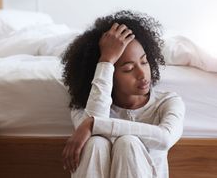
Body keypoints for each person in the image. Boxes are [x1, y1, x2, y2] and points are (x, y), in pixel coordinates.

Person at [61, 10, 185, 178]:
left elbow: (165, 138)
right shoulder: (85, 106)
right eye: (128, 69)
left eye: (144, 61)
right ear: (109, 73)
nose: (142, 74)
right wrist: (106, 61)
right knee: (95, 142)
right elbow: (95, 123)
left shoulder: (168, 102)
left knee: (128, 143)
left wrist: (92, 124)